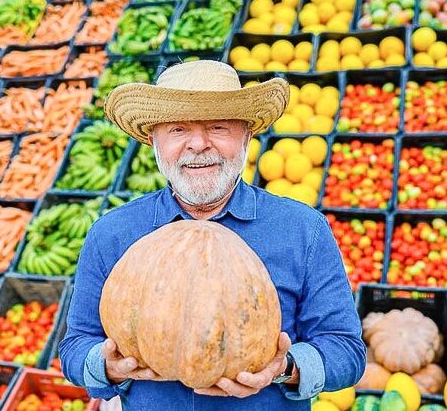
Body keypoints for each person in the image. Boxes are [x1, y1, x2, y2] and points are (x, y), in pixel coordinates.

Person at [59, 60, 366, 410]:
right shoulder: (112, 233)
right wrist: (106, 367)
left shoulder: (302, 229)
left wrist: (286, 368)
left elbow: (347, 351)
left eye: (218, 127)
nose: (198, 144)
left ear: (246, 135)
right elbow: (76, 346)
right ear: (154, 141)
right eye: (177, 129)